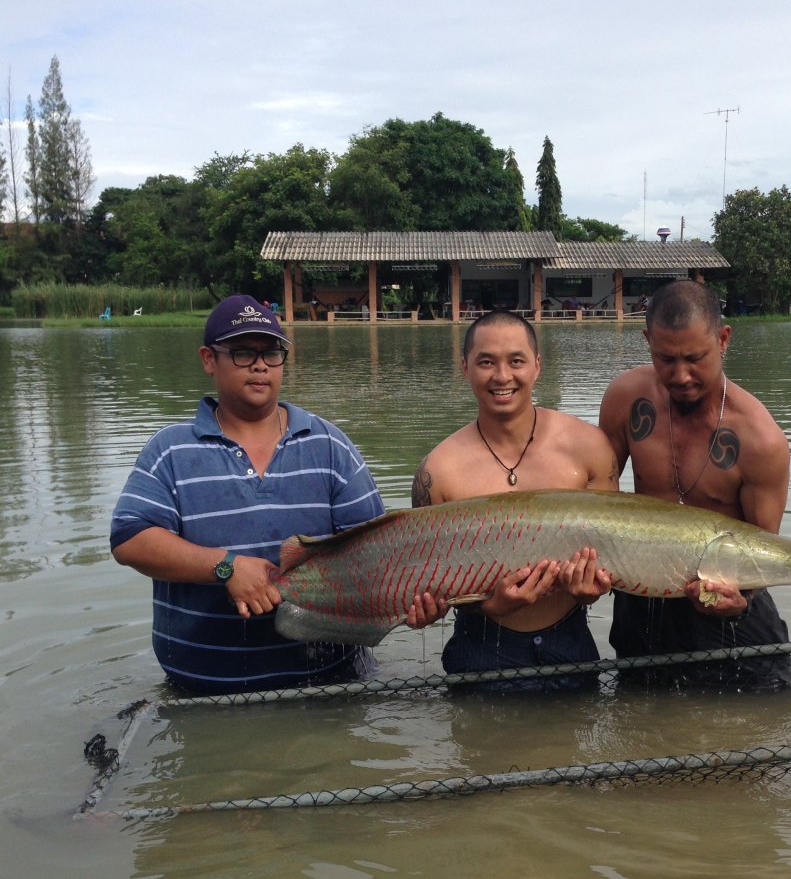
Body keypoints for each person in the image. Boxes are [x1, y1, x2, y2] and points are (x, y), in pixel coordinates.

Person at [110, 294, 385, 695]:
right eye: (242, 352)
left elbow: (374, 549)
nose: (260, 365)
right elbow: (129, 539)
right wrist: (225, 567)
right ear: (208, 359)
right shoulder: (170, 450)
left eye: (271, 353)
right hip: (204, 692)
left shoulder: (330, 445)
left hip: (331, 684)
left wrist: (407, 599)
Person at [599, 279, 791, 691]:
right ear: (647, 339)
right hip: (644, 600)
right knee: (640, 725)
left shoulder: (760, 439)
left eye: (695, 358)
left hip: (729, 615)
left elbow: (761, 554)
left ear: (723, 339)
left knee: (757, 734)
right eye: (666, 359)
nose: (681, 374)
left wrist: (738, 599)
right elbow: (599, 502)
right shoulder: (624, 399)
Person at [408, 310, 620, 688]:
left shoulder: (588, 447)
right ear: (465, 368)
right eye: (486, 362)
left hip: (569, 642)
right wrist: (486, 605)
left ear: (537, 366)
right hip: (480, 647)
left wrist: (590, 590)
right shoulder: (437, 471)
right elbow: (431, 579)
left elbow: (613, 552)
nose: (502, 377)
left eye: (516, 361)